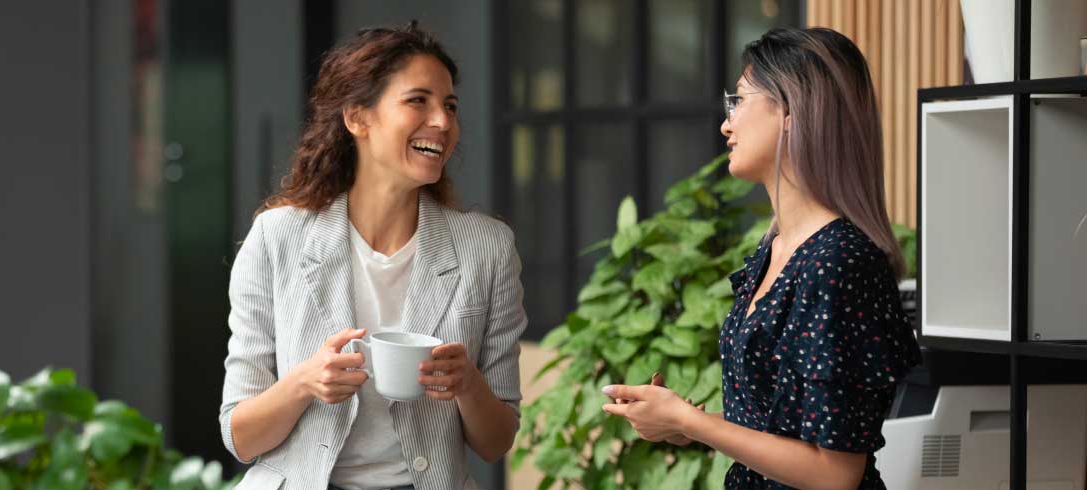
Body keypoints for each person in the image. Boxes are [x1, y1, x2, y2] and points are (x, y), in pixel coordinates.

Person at [601, 27, 922, 489]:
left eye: (740, 101)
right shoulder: (774, 250)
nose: (726, 124)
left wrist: (692, 423)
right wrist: (677, 421)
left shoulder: (838, 262)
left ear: (792, 111)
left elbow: (835, 474)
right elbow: (781, 429)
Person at [218, 22, 527, 490]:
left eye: (450, 105)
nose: (442, 122)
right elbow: (240, 435)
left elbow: (496, 441)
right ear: (357, 118)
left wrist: (468, 384)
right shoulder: (277, 238)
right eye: (417, 101)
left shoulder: (487, 249)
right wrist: (305, 383)